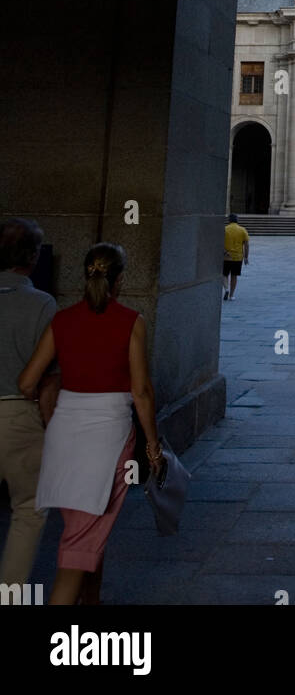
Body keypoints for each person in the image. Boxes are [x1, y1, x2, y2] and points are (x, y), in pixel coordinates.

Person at [18, 242, 163, 605]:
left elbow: (26, 382)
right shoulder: (131, 321)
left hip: (64, 434)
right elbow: (141, 391)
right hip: (108, 437)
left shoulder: (62, 320)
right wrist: (153, 445)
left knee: (85, 528)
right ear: (120, 280)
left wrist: (54, 399)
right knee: (80, 542)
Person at [0, 218, 58, 586]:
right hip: (16, 415)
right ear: (33, 257)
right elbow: (49, 377)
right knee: (28, 510)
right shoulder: (42, 304)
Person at [223, 213, 249, 300]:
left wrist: (224, 251)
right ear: (237, 220)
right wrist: (246, 257)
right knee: (234, 276)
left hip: (226, 256)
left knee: (224, 274)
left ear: (229, 220)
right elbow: (246, 245)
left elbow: (219, 242)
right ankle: (231, 295)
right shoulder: (242, 230)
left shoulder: (225, 229)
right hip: (238, 257)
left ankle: (226, 288)